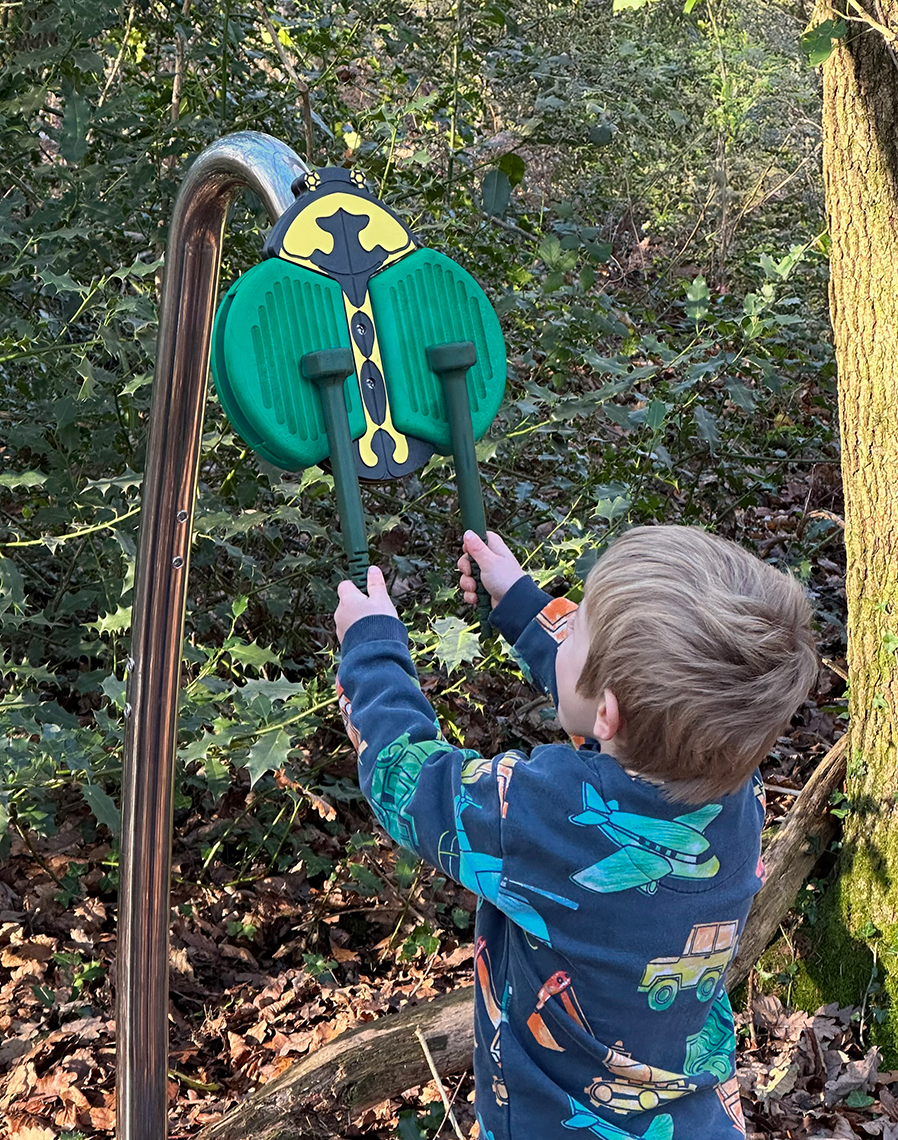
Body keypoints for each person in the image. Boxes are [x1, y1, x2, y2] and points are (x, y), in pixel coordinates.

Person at [333, 525, 818, 1140]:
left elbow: (412, 782)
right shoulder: (730, 792)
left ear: (608, 710)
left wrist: (371, 648)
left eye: (576, 624)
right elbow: (627, 717)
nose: (566, 632)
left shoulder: (547, 812)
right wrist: (521, 604)